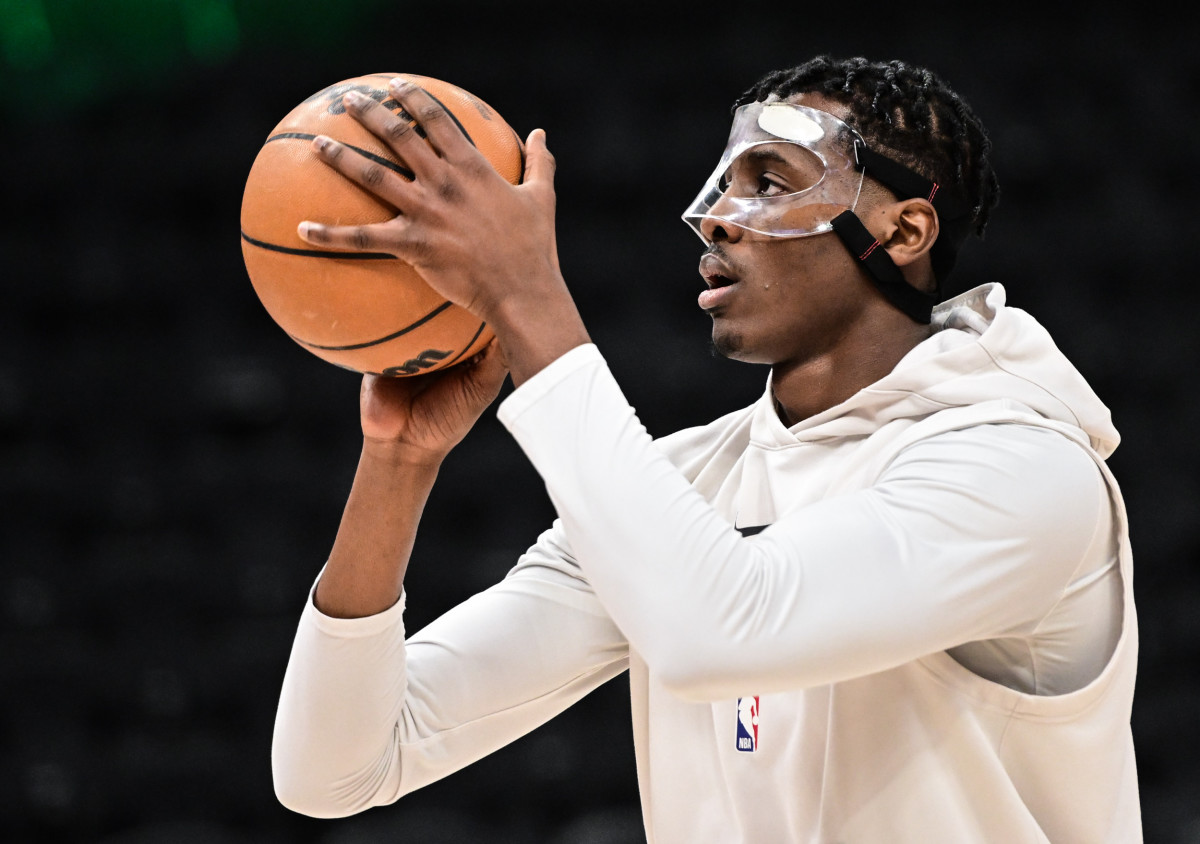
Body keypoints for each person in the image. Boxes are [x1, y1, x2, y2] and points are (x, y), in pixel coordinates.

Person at [271, 56, 1141, 842]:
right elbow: (337, 770)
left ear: (905, 233)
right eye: (723, 185)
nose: (716, 219)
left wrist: (525, 294)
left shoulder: (1023, 469)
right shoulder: (683, 487)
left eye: (770, 181)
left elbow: (717, 630)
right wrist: (399, 462)